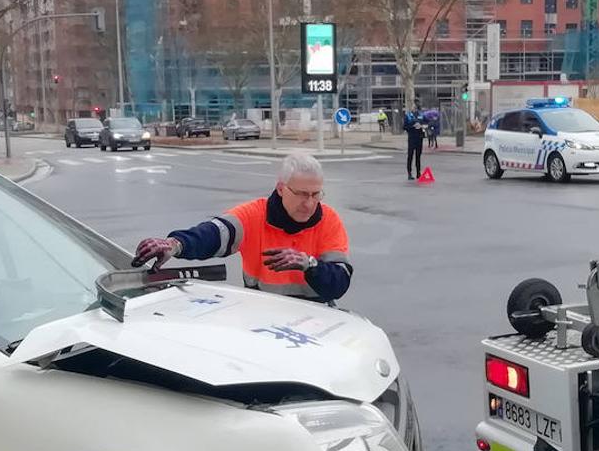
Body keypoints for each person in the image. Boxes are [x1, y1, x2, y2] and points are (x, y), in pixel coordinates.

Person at [132, 152, 352, 303]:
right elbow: (213, 234)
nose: (310, 203)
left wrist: (310, 265)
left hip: (316, 319)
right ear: (281, 188)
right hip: (260, 317)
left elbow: (339, 285)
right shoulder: (254, 215)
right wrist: (175, 244)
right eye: (302, 194)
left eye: (316, 194)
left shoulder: (329, 220)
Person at [404, 105, 427, 180]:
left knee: (418, 156)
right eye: (413, 108)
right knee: (410, 156)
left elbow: (426, 123)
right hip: (411, 138)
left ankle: (418, 173)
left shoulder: (421, 115)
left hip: (419, 138)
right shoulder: (408, 116)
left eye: (416, 108)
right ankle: (409, 173)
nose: (415, 109)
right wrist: (413, 126)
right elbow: (404, 127)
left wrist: (423, 126)